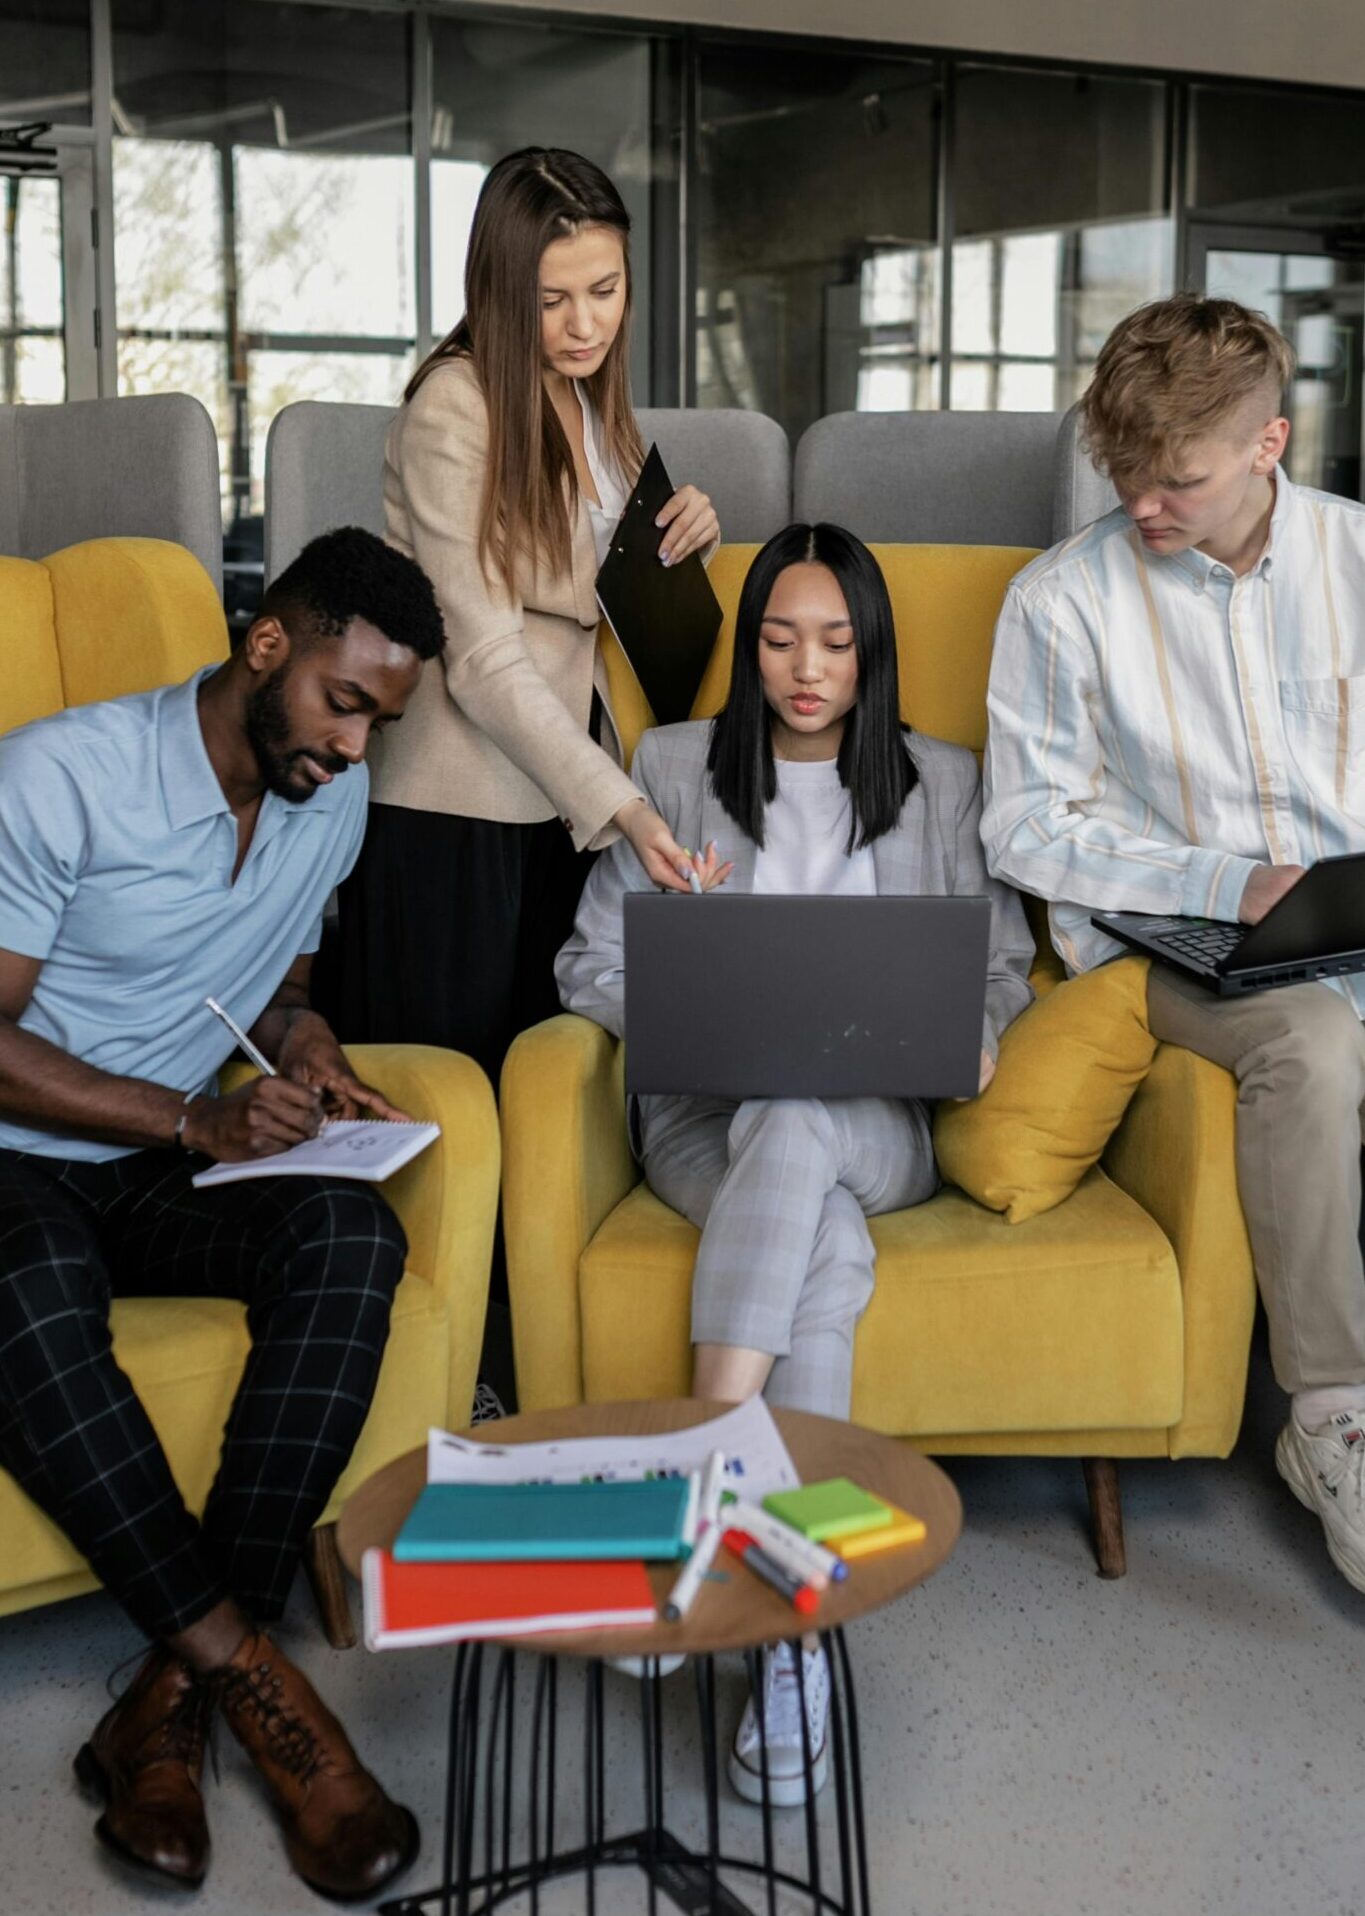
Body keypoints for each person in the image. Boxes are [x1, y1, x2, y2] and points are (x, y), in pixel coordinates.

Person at [0, 527, 446, 1899]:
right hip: (22, 1150)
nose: (358, 746)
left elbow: (273, 989)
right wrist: (190, 1118)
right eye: (344, 703)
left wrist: (306, 1053)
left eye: (383, 719)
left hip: (162, 1158)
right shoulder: (60, 775)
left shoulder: (333, 802)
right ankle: (265, 1692)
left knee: (352, 1234)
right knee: (23, 1296)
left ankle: (163, 1709)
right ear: (268, 649)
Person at [558, 522, 1033, 1806]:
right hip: (708, 1122)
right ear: (748, 646)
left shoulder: (945, 781)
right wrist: (689, 989)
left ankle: (701, 1480)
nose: (805, 667)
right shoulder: (669, 766)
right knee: (807, 1192)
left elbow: (1001, 967)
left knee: (810, 1107)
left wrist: (977, 1037)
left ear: (873, 648)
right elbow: (586, 963)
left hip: (879, 1124)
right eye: (777, 638)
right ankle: (794, 1635)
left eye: (834, 640)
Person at [981, 292, 1365, 1596]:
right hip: (1177, 947)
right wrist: (1223, 878)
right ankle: (1331, 1422)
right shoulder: (1060, 603)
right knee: (1313, 1044)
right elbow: (1026, 827)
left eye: (1178, 480)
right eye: (1125, 475)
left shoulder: (1358, 559)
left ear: (1271, 445)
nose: (1144, 504)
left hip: (1353, 917)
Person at [326, 146, 720, 1084]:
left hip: (558, 793)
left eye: (605, 289)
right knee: (451, 1094)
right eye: (552, 300)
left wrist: (686, 533)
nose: (585, 323)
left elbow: (597, 577)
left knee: (542, 1091)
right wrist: (624, 808)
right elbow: (485, 657)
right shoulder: (455, 408)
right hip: (456, 806)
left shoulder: (589, 399)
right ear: (501, 288)